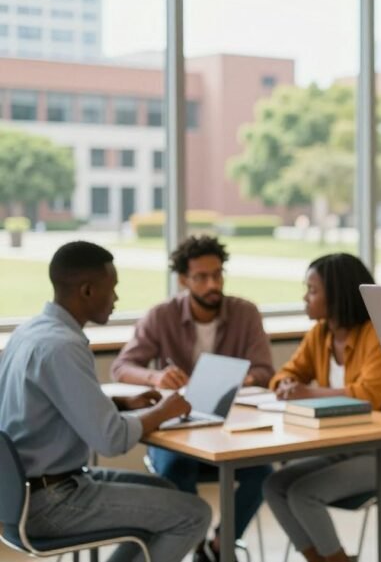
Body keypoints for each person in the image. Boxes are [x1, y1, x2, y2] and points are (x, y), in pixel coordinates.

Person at [0, 241, 211, 562]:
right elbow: (111, 440)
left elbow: (54, 408)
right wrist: (162, 411)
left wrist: (125, 405)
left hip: (22, 495)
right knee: (194, 514)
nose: (115, 299)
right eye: (111, 289)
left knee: (169, 492)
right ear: (86, 291)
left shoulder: (29, 332)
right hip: (51, 501)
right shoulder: (63, 347)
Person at [110, 235, 274, 561]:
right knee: (175, 470)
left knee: (264, 474)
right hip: (177, 431)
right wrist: (155, 377)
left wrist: (235, 378)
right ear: (184, 279)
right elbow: (122, 366)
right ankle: (195, 544)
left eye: (218, 274)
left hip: (230, 431)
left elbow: (264, 370)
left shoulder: (245, 313)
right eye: (201, 277)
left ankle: (219, 546)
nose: (213, 283)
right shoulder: (161, 316)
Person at [262, 254, 381, 562]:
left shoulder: (377, 333)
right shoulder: (320, 334)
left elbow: (367, 395)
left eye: (312, 290)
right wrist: (285, 385)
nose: (305, 298)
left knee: (303, 494)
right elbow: (284, 375)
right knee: (274, 485)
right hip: (342, 449)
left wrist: (305, 393)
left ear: (337, 295)